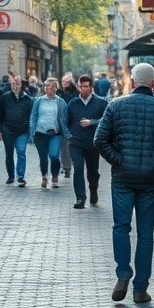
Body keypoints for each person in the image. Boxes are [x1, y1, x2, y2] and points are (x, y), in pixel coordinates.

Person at [94, 63, 154, 304]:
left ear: (131, 82)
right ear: (153, 82)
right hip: (149, 180)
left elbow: (100, 139)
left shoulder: (116, 106)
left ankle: (123, 273)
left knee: (120, 227)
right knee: (146, 234)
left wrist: (118, 160)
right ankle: (140, 288)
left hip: (123, 178)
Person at [62, 74, 108, 209]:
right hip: (76, 142)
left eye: (86, 86)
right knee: (78, 168)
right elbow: (65, 121)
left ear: (91, 87)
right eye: (80, 86)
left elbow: (106, 121)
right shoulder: (73, 103)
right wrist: (69, 135)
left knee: (93, 171)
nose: (83, 89)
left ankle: (93, 189)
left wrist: (92, 122)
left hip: (93, 142)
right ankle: (80, 197)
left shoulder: (101, 103)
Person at [28, 77, 68, 189]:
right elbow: (33, 116)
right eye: (46, 87)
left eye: (50, 87)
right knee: (43, 157)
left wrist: (65, 130)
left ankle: (55, 177)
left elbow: (65, 118)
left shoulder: (61, 102)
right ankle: (44, 176)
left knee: (54, 155)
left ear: (55, 88)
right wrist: (32, 129)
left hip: (55, 133)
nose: (48, 89)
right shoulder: (39, 100)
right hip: (40, 133)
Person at [0, 74, 33, 187]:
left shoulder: (27, 98)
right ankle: (11, 175)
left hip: (22, 131)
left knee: (21, 152)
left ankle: (20, 176)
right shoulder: (5, 97)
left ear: (21, 85)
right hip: (8, 130)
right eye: (13, 84)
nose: (15, 86)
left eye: (17, 83)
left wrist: (29, 129)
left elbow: (31, 115)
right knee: (9, 154)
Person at [57, 74, 79, 179]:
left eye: (66, 82)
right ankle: (66, 167)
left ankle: (73, 163)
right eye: (63, 82)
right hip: (62, 122)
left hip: (73, 122)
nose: (64, 84)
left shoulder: (75, 93)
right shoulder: (59, 93)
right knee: (64, 146)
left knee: (73, 145)